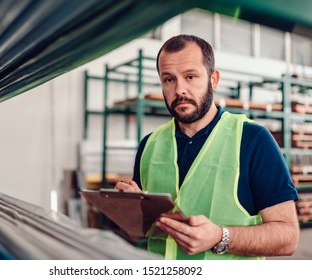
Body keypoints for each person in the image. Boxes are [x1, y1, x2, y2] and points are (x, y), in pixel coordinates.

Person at [115, 34, 299, 260]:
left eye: (190, 76)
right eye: (169, 79)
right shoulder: (149, 145)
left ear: (214, 79)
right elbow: (137, 234)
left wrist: (220, 238)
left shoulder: (252, 139)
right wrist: (129, 216)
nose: (180, 89)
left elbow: (288, 236)